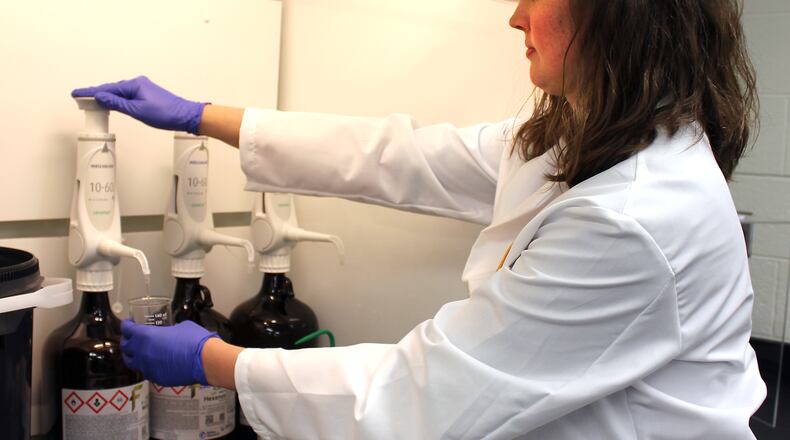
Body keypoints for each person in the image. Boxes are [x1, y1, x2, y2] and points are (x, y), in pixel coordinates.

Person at [73, 0, 767, 438]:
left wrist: (214, 362)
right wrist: (205, 116)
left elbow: (423, 395)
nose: (516, 15)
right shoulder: (587, 140)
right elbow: (401, 157)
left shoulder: (634, 217)